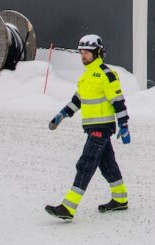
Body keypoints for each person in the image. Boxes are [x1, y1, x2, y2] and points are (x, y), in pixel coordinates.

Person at [45, 34, 130, 221]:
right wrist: (62, 114)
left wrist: (124, 125)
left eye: (87, 53)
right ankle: (120, 198)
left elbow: (118, 101)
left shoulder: (106, 74)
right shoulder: (86, 75)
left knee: (85, 164)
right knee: (107, 164)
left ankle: (68, 207)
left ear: (97, 52)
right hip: (92, 127)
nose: (83, 56)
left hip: (103, 126)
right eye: (81, 52)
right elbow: (78, 100)